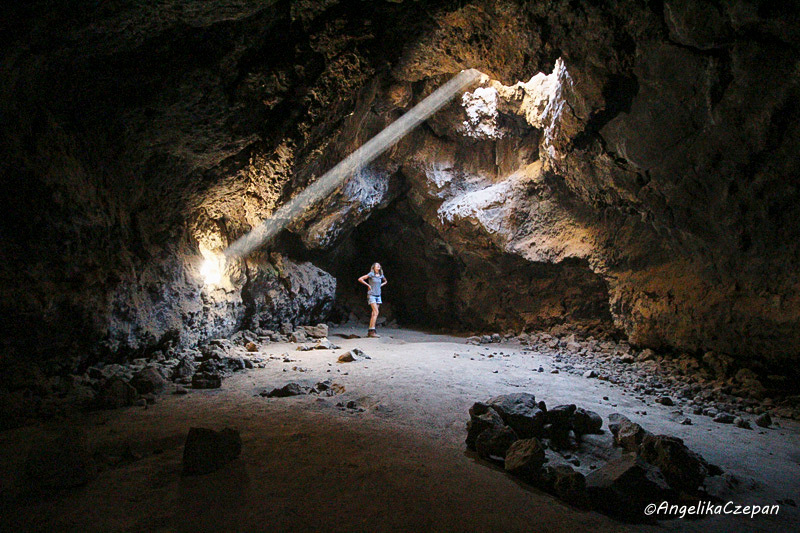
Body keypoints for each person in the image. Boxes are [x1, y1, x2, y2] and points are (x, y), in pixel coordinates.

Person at [358, 262, 387, 338]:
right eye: (377, 266)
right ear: (373, 267)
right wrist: (368, 285)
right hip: (372, 295)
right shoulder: (371, 274)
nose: (378, 267)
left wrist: (381, 285)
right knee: (376, 311)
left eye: (379, 266)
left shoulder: (381, 275)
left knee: (374, 313)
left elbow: (385, 281)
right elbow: (360, 279)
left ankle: (371, 331)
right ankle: (371, 331)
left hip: (378, 295)